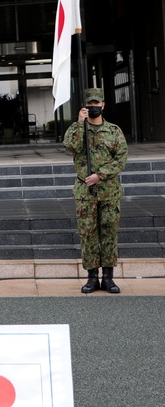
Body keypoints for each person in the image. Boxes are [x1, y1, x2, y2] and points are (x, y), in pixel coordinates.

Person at [63, 88, 128, 294]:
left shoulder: (114, 131)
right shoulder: (77, 130)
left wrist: (100, 174)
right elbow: (70, 146)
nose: (93, 108)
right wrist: (79, 123)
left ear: (103, 105)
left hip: (109, 191)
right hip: (86, 192)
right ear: (85, 106)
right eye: (89, 105)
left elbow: (121, 159)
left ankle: (108, 277)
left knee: (109, 233)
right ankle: (92, 277)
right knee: (88, 234)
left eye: (96, 104)